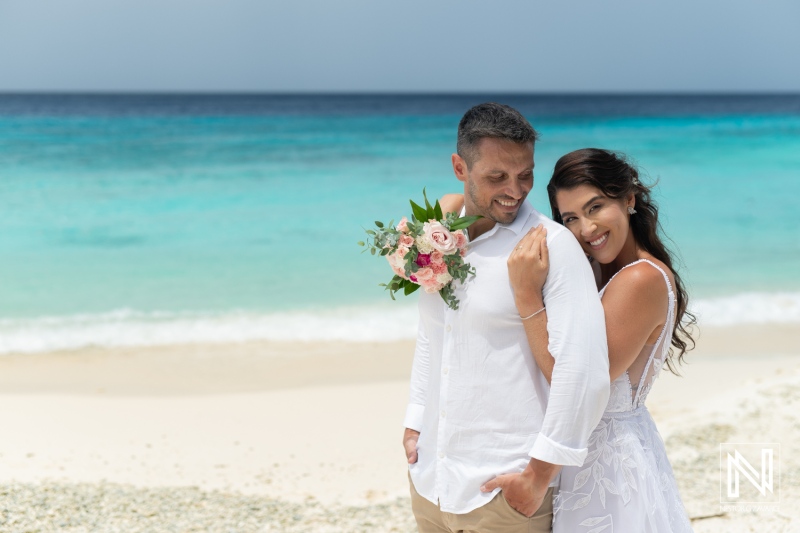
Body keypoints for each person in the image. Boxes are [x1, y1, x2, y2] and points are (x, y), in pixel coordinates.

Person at [440, 148, 695, 532]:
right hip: (582, 454)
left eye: (596, 208)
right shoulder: (600, 268)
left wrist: (526, 297)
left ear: (629, 199)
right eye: (570, 218)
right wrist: (455, 204)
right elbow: (458, 201)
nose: (586, 229)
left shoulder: (639, 280)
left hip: (607, 468)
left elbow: (573, 380)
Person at [403, 103, 610, 533]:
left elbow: (584, 373)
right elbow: (432, 334)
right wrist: (415, 421)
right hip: (432, 485)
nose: (515, 191)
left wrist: (538, 477)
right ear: (460, 167)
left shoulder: (553, 248)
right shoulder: (436, 238)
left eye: (525, 175)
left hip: (506, 495)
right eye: (497, 176)